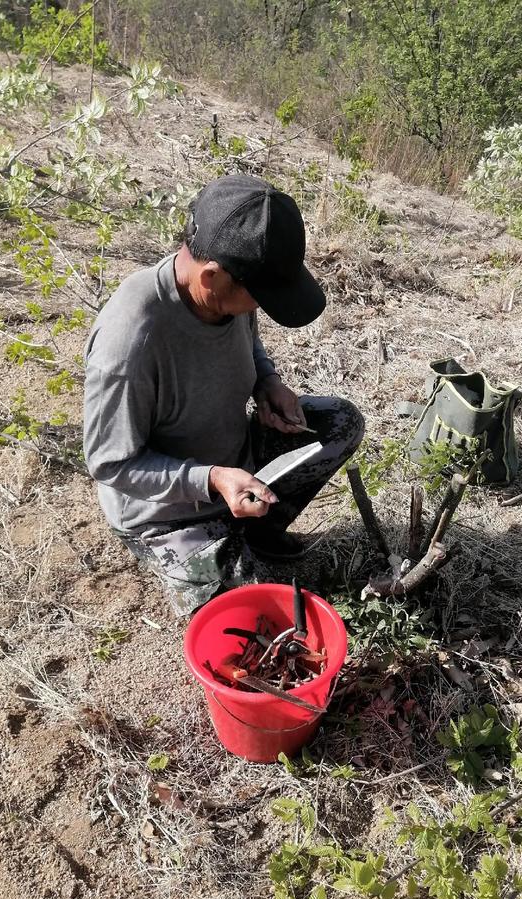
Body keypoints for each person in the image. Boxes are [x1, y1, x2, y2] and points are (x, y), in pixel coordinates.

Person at [83, 174, 364, 616]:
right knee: (264, 617)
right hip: (166, 514)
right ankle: (217, 546)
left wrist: (267, 382)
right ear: (211, 276)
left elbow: (248, 338)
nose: (259, 309)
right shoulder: (129, 344)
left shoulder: (221, 289)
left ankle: (255, 532)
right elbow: (110, 463)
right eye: (259, 298)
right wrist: (212, 479)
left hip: (237, 464)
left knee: (339, 423)